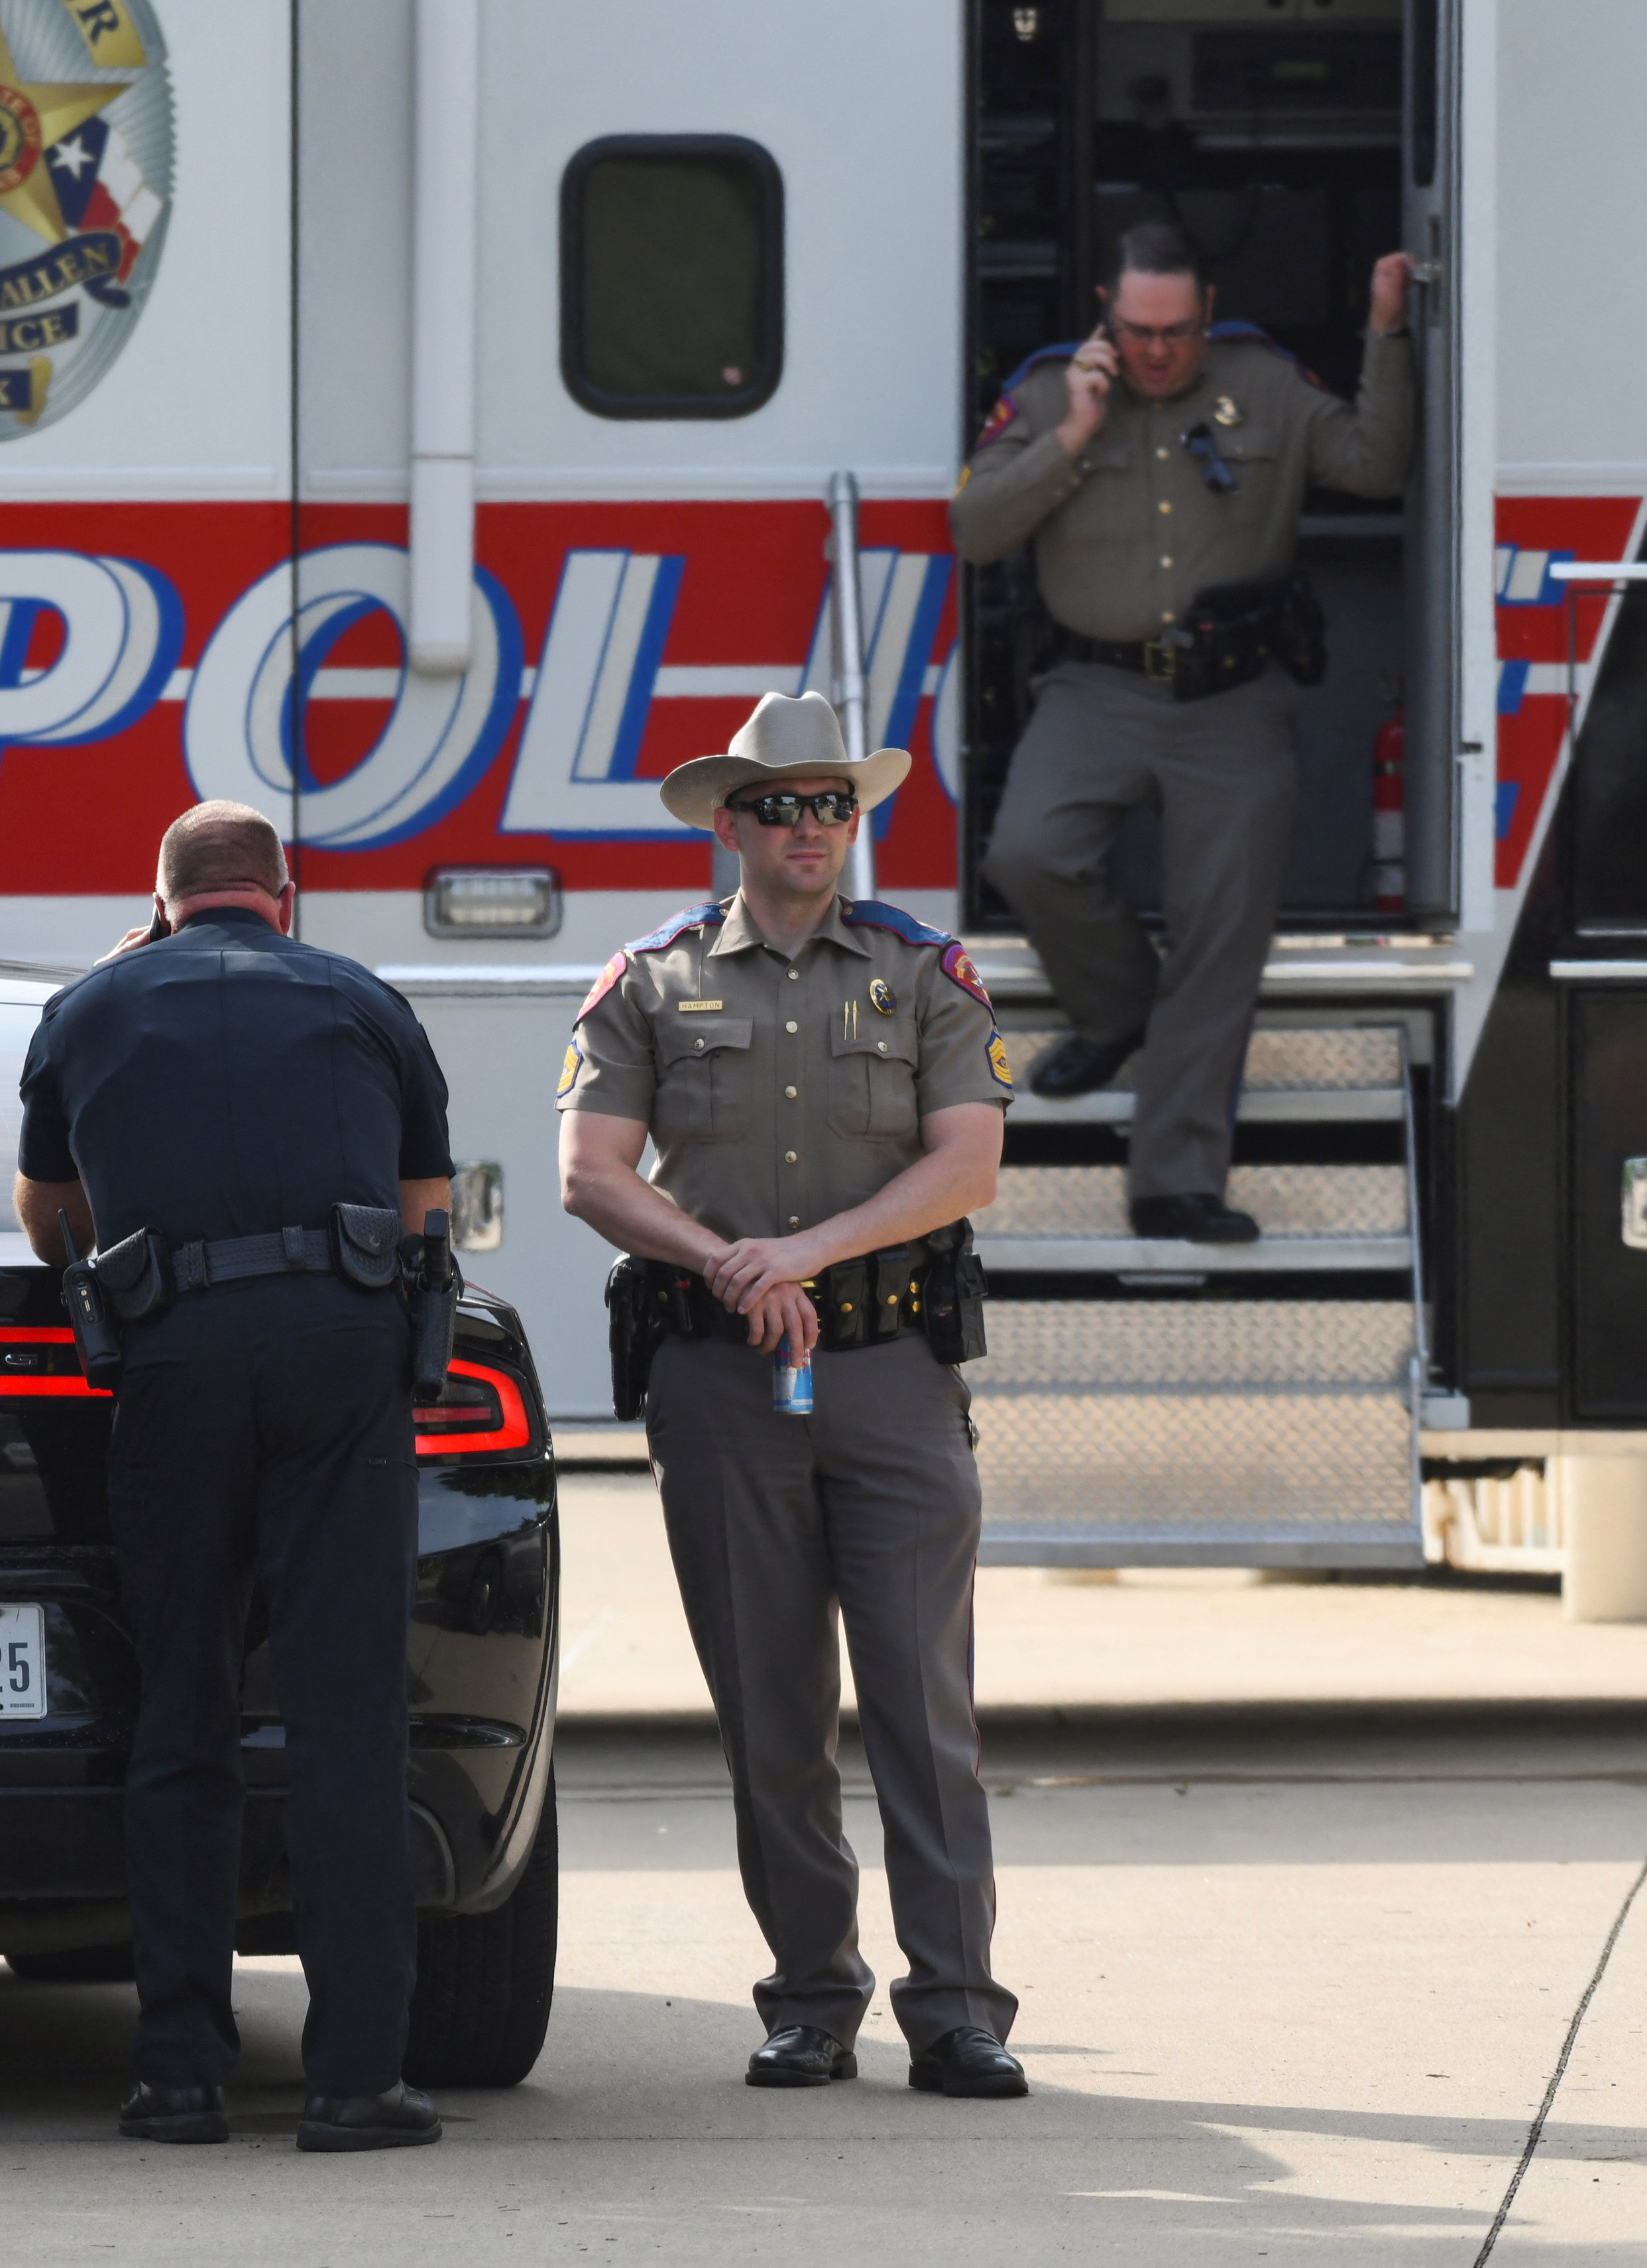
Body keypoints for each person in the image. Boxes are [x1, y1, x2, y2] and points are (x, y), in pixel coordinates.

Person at [555, 693, 1028, 2100]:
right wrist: (725, 1262)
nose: (809, 826)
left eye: (832, 802)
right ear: (729, 823)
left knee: (922, 1711)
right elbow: (589, 1173)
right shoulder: (647, 981)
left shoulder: (923, 970)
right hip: (719, 1380)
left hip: (889, 1375)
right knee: (770, 1712)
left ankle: (956, 2009)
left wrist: (805, 1252)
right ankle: (812, 1999)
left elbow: (967, 1164)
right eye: (779, 805)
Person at [11, 800, 456, 2155]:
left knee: (181, 1713)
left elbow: (47, 1218)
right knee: (345, 1719)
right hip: (338, 1362)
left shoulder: (85, 1009)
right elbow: (424, 1212)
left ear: (158, 900)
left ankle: (179, 2076)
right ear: (282, 893)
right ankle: (354, 2080)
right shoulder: (364, 1000)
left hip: (173, 1362)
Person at [952, 221, 1416, 1241]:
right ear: (1106, 317)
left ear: (1209, 310)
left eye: (1175, 330)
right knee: (1028, 854)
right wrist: (1072, 437)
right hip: (1094, 688)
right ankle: (1122, 1013)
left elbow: (1377, 466)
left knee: (1223, 929)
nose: (1157, 351)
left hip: (1234, 699)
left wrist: (1387, 330)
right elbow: (975, 532)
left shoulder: (1265, 381)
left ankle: (1175, 1183)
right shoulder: (1049, 391)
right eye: (1136, 330)